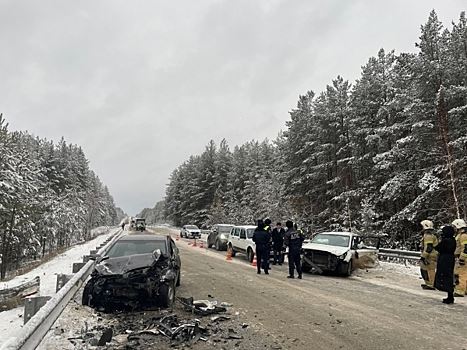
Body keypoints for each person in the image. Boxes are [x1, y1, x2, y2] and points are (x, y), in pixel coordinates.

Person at [434, 225, 456, 304]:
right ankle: (450, 295)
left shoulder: (446, 240)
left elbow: (437, 247)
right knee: (448, 276)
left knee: (445, 276)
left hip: (445, 259)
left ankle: (449, 296)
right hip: (450, 258)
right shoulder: (453, 240)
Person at [419, 220, 438, 290]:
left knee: (430, 270)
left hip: (430, 256)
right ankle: (428, 283)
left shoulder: (428, 236)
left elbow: (429, 247)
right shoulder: (428, 235)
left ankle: (431, 284)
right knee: (425, 269)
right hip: (429, 255)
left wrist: (423, 256)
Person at [452, 218, 467, 297]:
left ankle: (460, 291)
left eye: (454, 226)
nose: (454, 228)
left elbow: (465, 248)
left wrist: (462, 258)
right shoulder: (460, 235)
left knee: (461, 274)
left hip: (463, 258)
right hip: (461, 257)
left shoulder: (463, 236)